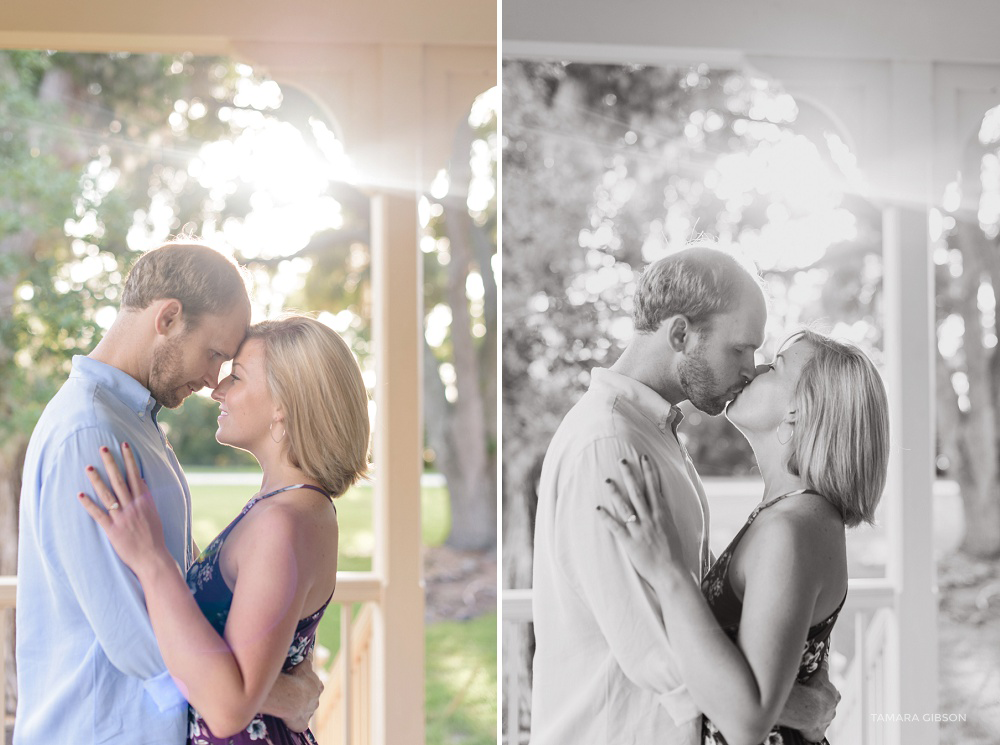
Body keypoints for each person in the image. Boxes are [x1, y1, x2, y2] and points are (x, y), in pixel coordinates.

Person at [530, 246, 840, 745]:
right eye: (740, 349)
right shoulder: (610, 445)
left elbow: (700, 604)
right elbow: (658, 648)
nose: (750, 369)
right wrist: (798, 705)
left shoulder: (653, 433)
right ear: (680, 334)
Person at [15, 243, 322, 745]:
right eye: (215, 354)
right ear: (169, 318)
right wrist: (276, 692)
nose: (211, 380)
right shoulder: (91, 433)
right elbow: (140, 640)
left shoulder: (134, 424)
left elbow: (179, 588)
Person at [78, 314, 371, 744]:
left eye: (235, 377)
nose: (216, 389)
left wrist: (152, 559)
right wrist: (289, 695)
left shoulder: (284, 522)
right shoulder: (286, 506)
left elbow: (229, 706)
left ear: (282, 403)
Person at [598, 329, 889, 745]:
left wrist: (668, 573)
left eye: (776, 366)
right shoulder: (792, 515)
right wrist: (805, 705)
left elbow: (748, 720)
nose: (755, 369)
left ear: (799, 410)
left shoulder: (792, 528)